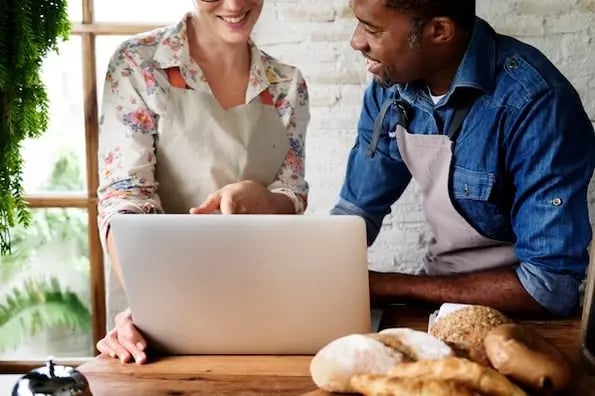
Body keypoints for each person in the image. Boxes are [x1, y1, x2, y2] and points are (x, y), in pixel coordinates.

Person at [332, 0, 595, 317]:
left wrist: (385, 286)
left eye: (372, 29)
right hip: (434, 299)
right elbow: (357, 209)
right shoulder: (389, 89)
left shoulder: (536, 104)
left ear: (439, 31)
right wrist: (317, 271)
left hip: (521, 315)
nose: (356, 41)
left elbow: (549, 287)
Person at [95, 0, 310, 363]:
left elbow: (291, 192)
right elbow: (125, 199)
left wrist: (262, 200)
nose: (236, 4)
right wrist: (157, 306)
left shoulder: (286, 85)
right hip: (155, 320)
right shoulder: (138, 64)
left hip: (261, 306)